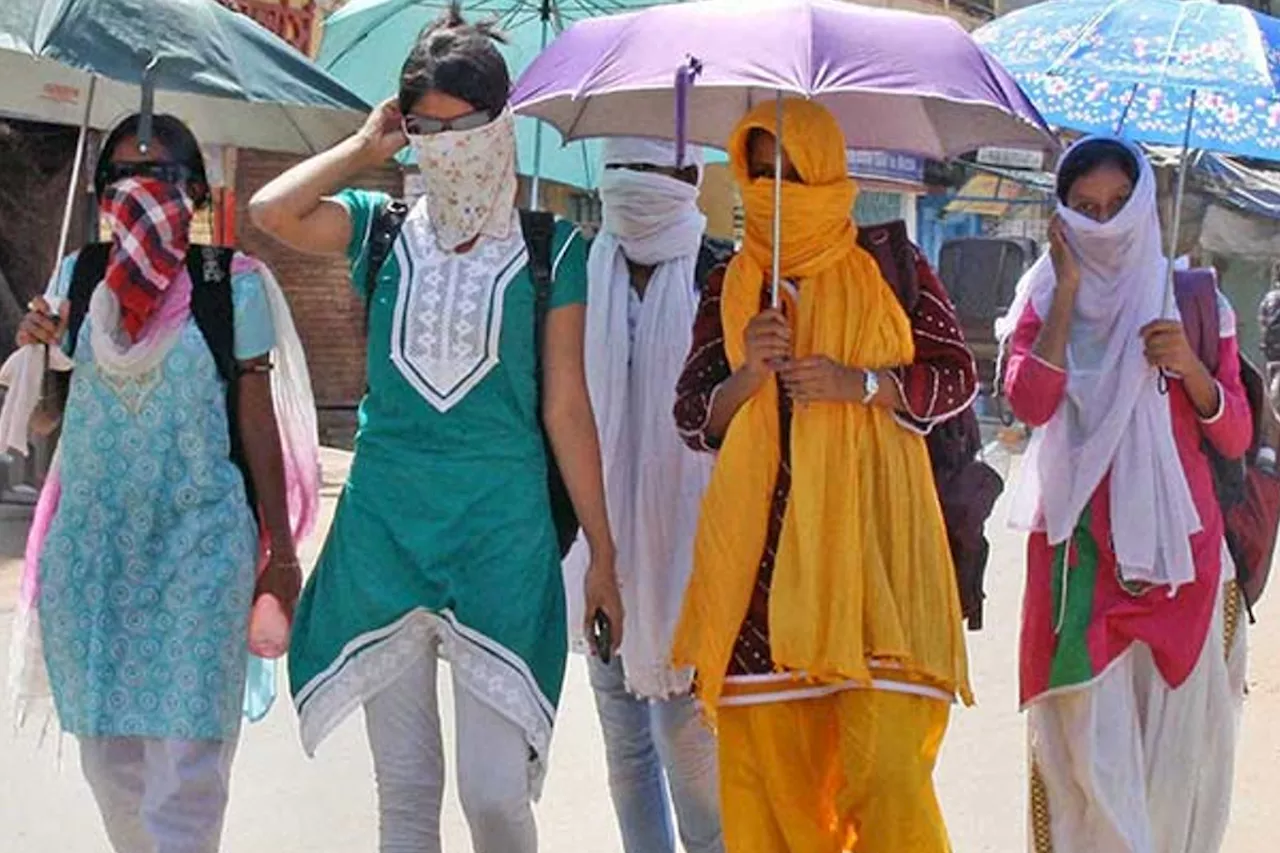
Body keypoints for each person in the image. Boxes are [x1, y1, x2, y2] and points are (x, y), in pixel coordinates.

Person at [248, 7, 621, 853]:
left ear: (503, 124)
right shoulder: (377, 230)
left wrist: (603, 551)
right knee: (407, 793)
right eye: (428, 129)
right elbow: (271, 210)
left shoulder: (550, 250)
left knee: (493, 795)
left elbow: (566, 406)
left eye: (465, 127)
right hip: (385, 529)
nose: (446, 146)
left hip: (502, 533)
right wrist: (365, 145)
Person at [4, 112, 318, 853]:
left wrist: (277, 550)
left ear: (196, 194)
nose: (140, 194)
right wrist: (39, 351)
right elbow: (50, 422)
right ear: (101, 195)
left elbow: (256, 411)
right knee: (110, 761)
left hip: (200, 549)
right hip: (95, 554)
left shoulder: (231, 283)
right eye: (122, 180)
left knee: (187, 765)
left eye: (163, 179)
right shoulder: (76, 280)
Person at [671, 98, 974, 853]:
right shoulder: (732, 283)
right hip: (762, 582)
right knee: (774, 795)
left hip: (875, 564)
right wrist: (750, 368)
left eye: (793, 170)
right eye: (761, 171)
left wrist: (861, 384)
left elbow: (955, 376)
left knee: (889, 775)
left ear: (828, 171)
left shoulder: (890, 263)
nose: (777, 187)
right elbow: (691, 416)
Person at [998, 137, 1250, 853]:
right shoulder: (1044, 297)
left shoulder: (1195, 301)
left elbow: (1234, 432)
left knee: (1173, 788)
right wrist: (1070, 290)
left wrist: (1191, 369)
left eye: (1116, 207)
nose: (1102, 223)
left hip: (1185, 572)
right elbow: (1032, 400)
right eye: (1085, 209)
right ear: (1061, 215)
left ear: (1143, 209)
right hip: (1081, 573)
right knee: (1092, 779)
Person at [563, 137, 725, 853]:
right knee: (624, 745)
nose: (635, 186)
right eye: (623, 169)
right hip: (600, 541)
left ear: (691, 177)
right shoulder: (576, 272)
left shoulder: (720, 273)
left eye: (651, 170)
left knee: (685, 745)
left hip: (688, 548)